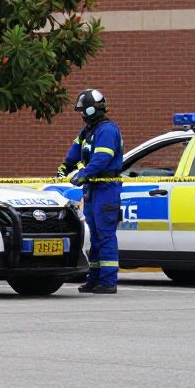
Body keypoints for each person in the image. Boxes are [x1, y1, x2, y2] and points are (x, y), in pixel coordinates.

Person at [58, 89, 124, 294]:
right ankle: (94, 279)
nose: (82, 115)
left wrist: (84, 173)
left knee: (105, 235)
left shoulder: (107, 130)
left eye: (83, 111)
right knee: (95, 235)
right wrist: (65, 167)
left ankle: (108, 281)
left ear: (93, 109)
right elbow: (75, 152)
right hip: (92, 188)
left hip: (106, 187)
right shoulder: (87, 131)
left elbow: (102, 158)